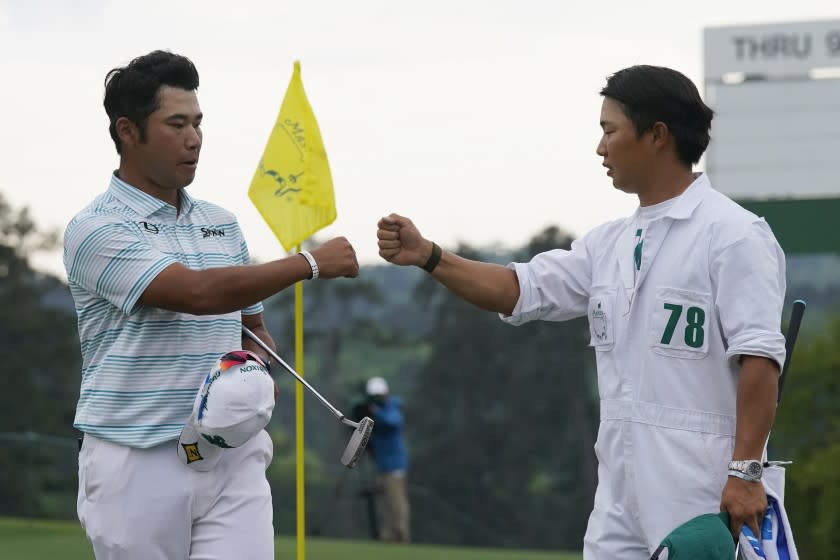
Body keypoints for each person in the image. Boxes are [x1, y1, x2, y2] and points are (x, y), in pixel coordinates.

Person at [376, 65, 787, 558]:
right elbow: (517, 289)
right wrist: (430, 256)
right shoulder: (607, 244)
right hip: (619, 496)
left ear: (657, 136)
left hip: (704, 493)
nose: (600, 148)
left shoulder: (736, 235)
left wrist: (745, 474)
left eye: (609, 131)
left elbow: (760, 361)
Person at [63, 50, 359, 560]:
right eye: (176, 124)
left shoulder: (222, 223)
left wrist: (253, 370)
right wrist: (308, 264)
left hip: (230, 454)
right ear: (128, 131)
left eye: (198, 123)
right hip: (137, 461)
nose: (194, 138)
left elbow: (252, 330)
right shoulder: (96, 228)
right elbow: (197, 294)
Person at [361, 376, 411, 542]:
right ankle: (388, 534)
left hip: (394, 464)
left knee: (397, 501)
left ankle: (400, 534)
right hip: (382, 464)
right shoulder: (375, 409)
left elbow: (393, 422)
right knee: (386, 503)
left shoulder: (392, 407)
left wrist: (377, 412)